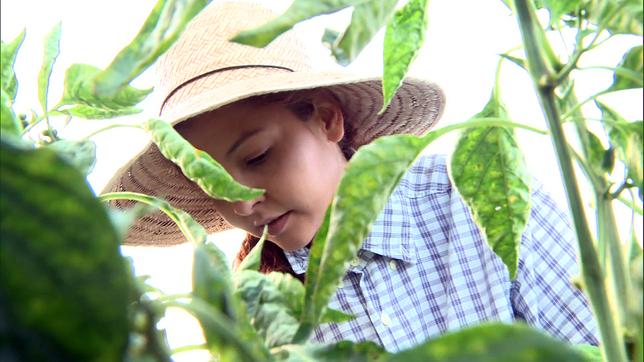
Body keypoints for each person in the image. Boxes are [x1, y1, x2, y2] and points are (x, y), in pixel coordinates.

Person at [105, 1, 599, 352]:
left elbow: (600, 343)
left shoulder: (476, 200)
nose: (240, 205)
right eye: (207, 184)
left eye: (256, 158)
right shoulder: (259, 309)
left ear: (326, 118)